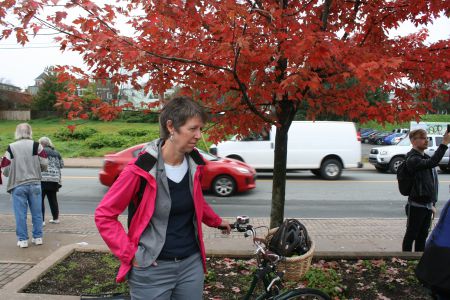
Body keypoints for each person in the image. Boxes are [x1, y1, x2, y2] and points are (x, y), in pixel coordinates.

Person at [95, 96, 231, 300]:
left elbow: (196, 200)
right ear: (171, 127)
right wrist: (130, 254)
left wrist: (216, 221)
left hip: (190, 266)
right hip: (151, 269)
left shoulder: (195, 163)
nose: (198, 135)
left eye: (200, 129)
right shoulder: (139, 170)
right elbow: (104, 215)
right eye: (192, 129)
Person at [0, 123, 48, 248]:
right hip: (35, 184)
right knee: (37, 213)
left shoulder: (11, 147)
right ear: (30, 132)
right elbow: (44, 164)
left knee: (20, 214)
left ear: (17, 133)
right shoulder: (37, 146)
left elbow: (5, 169)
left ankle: (23, 240)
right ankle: (38, 237)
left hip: (18, 185)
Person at [402, 128, 450, 252]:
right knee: (411, 235)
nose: (426, 140)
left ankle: (418, 261)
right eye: (422, 138)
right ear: (413, 141)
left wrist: (432, 203)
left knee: (422, 236)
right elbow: (433, 161)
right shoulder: (412, 159)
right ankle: (405, 260)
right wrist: (444, 143)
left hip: (427, 205)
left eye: (426, 138)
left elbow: (430, 183)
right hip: (416, 205)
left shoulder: (424, 157)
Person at [39, 137, 64, 225]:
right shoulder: (56, 152)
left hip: (43, 178)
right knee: (53, 199)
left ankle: (41, 221)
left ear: (41, 144)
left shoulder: (40, 152)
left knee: (40, 199)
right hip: (55, 179)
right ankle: (55, 218)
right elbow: (61, 165)